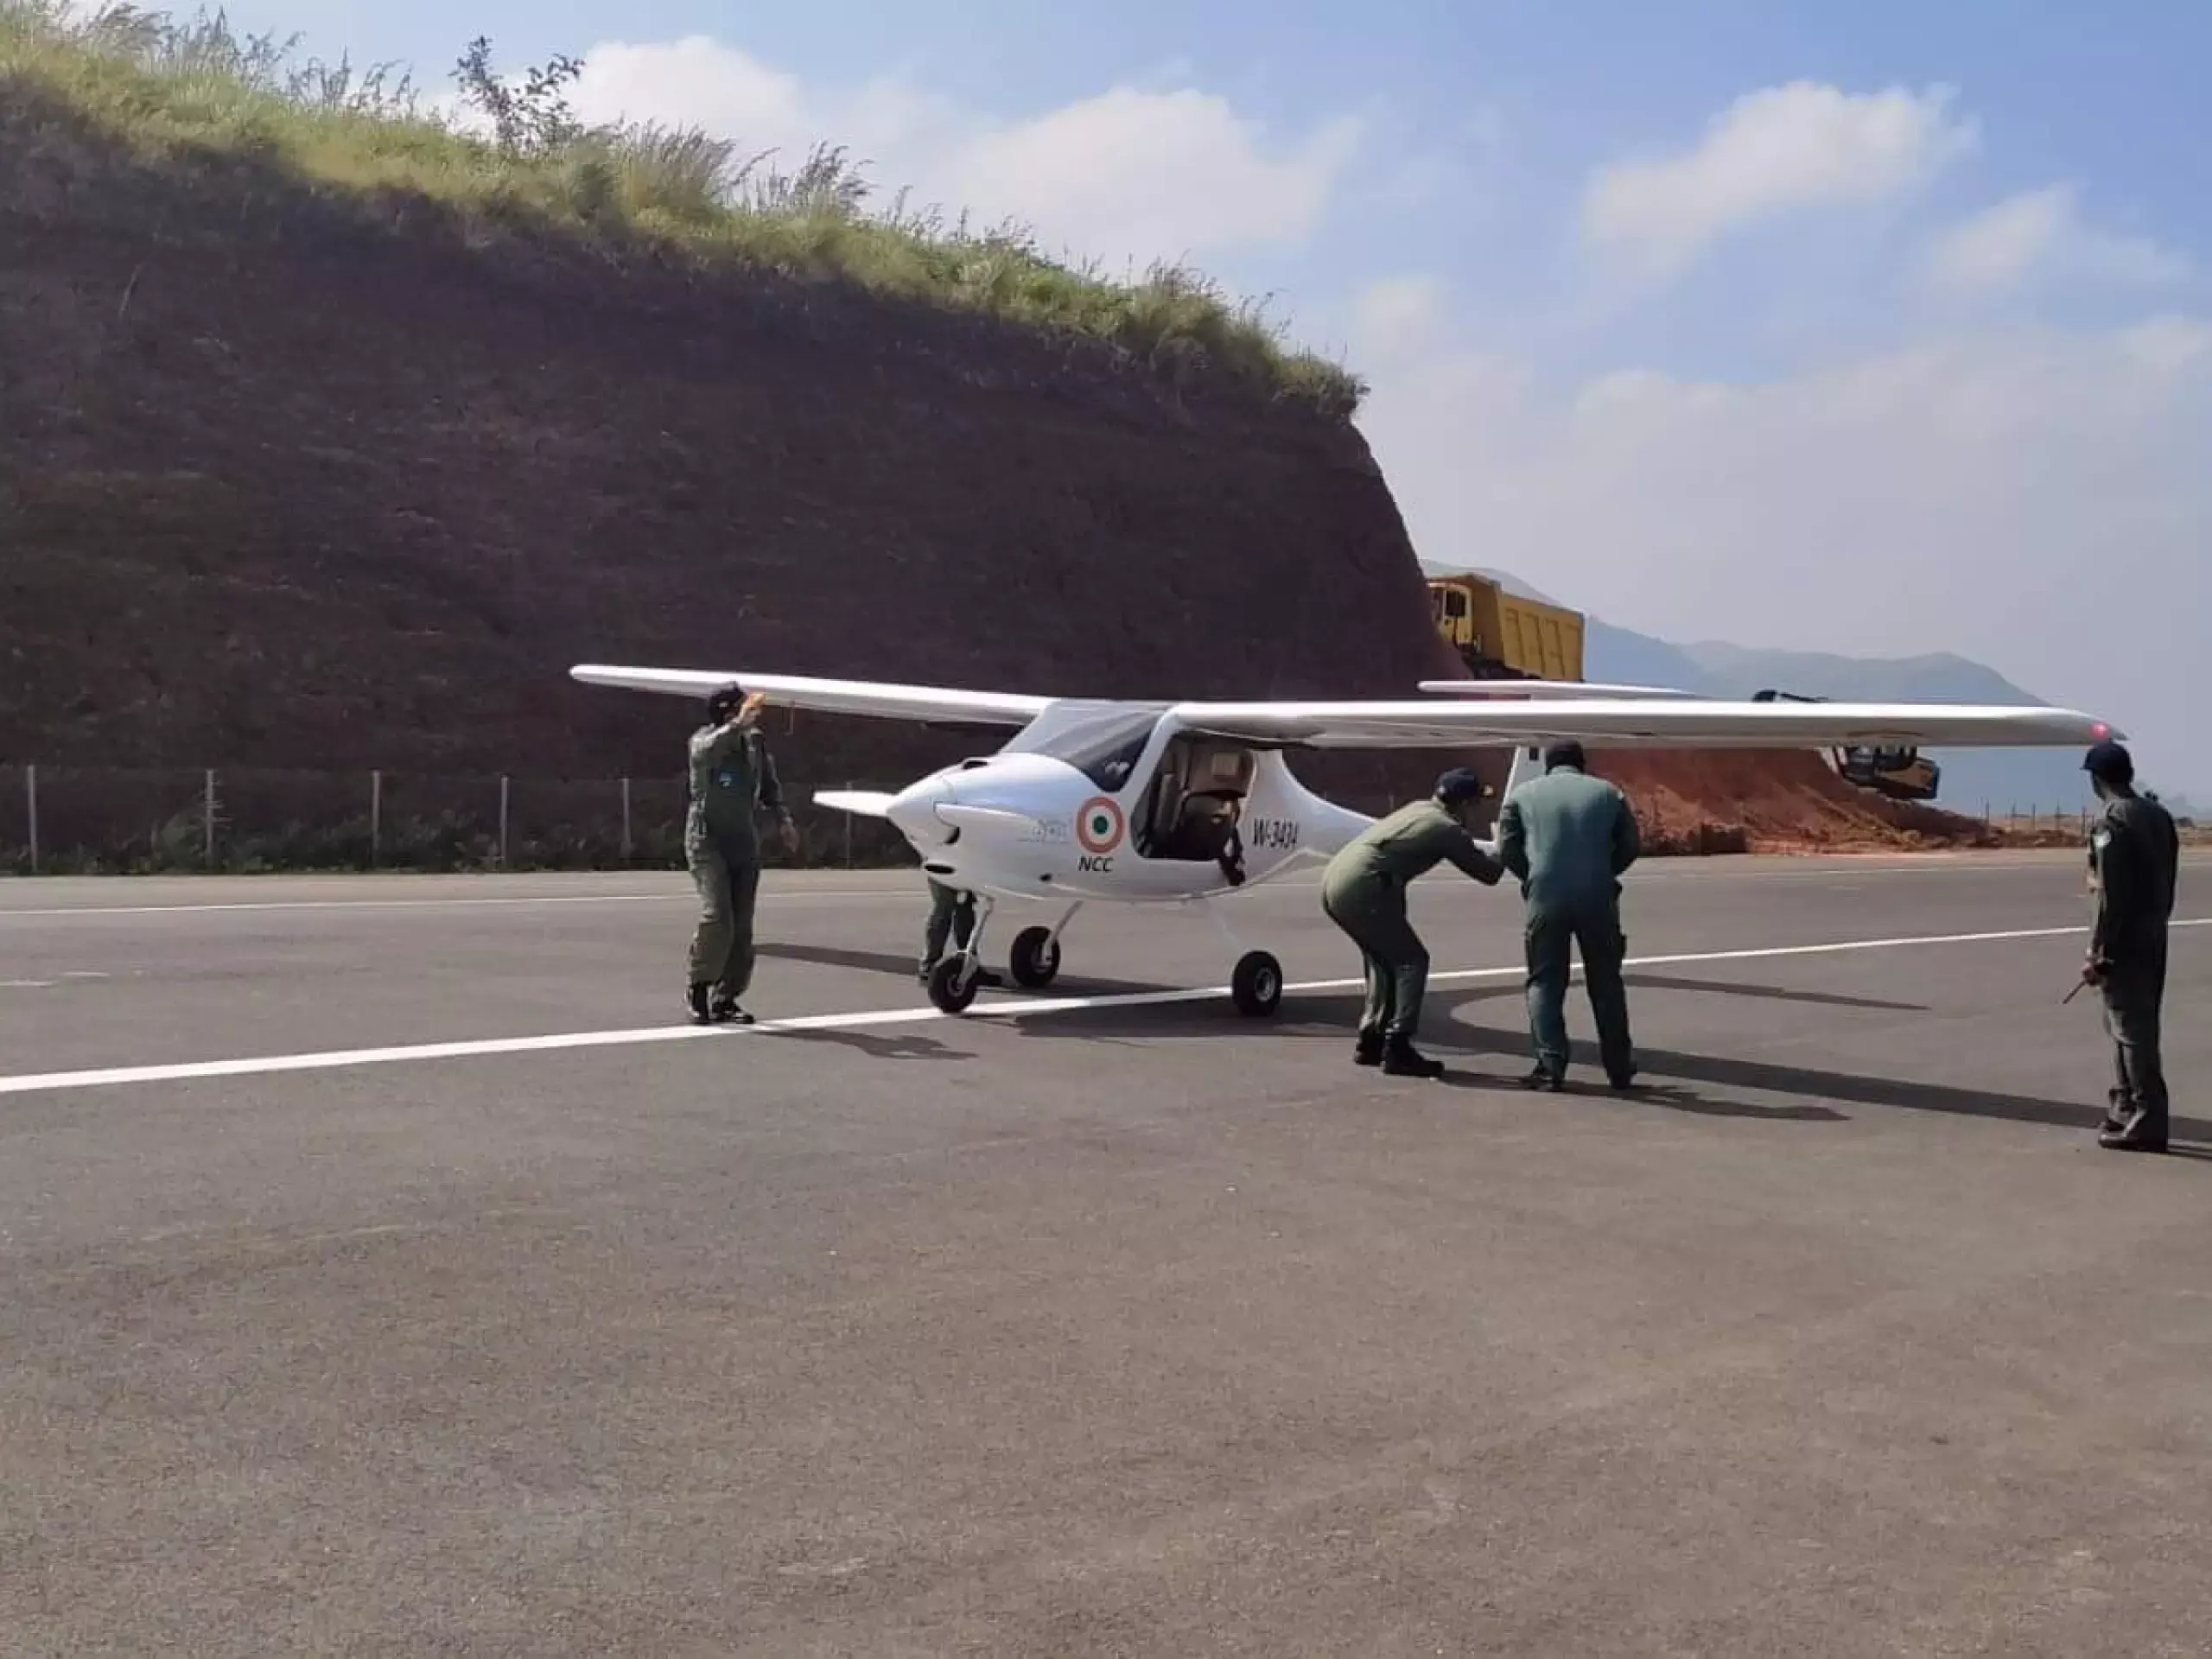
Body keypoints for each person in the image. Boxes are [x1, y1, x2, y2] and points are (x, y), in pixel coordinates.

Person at [1320, 767, 1504, 1077]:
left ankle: (1372, 1038)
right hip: (1363, 886)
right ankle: (1399, 1046)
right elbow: (1489, 873)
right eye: (1475, 803)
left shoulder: (1418, 808)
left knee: (1382, 960)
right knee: (1411, 961)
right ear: (1464, 804)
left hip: (1335, 879)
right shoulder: (1446, 828)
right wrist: (1505, 844)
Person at [1495, 740, 1641, 1092]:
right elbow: (1631, 845)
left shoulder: (1521, 795)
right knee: (1606, 982)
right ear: (1581, 763)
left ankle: (1550, 1065)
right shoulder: (1609, 793)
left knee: (1545, 982)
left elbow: (1506, 848)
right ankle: (1619, 1068)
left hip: (1545, 896)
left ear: (1548, 764)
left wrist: (1532, 876)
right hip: (1598, 896)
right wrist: (1605, 871)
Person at [2080, 739, 2178, 1153]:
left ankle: (2146, 1115)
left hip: (2126, 938)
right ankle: (2124, 1106)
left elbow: (2110, 895)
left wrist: (2099, 950)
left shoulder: (2111, 821)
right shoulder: (2158, 816)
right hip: (2154, 932)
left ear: (2097, 779)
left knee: (2131, 1031)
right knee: (2131, 1025)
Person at [683, 682, 798, 1025]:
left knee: (742, 925)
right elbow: (704, 753)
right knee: (718, 916)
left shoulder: (755, 743)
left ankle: (726, 997)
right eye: (741, 708)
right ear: (726, 713)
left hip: (742, 842)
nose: (752, 715)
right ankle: (699, 985)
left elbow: (770, 786)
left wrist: (783, 820)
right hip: (707, 839)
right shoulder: (705, 740)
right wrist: (737, 725)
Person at [919, 878, 1001, 988]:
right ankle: (930, 966)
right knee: (944, 907)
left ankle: (967, 965)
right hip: (946, 866)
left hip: (961, 868)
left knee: (964, 911)